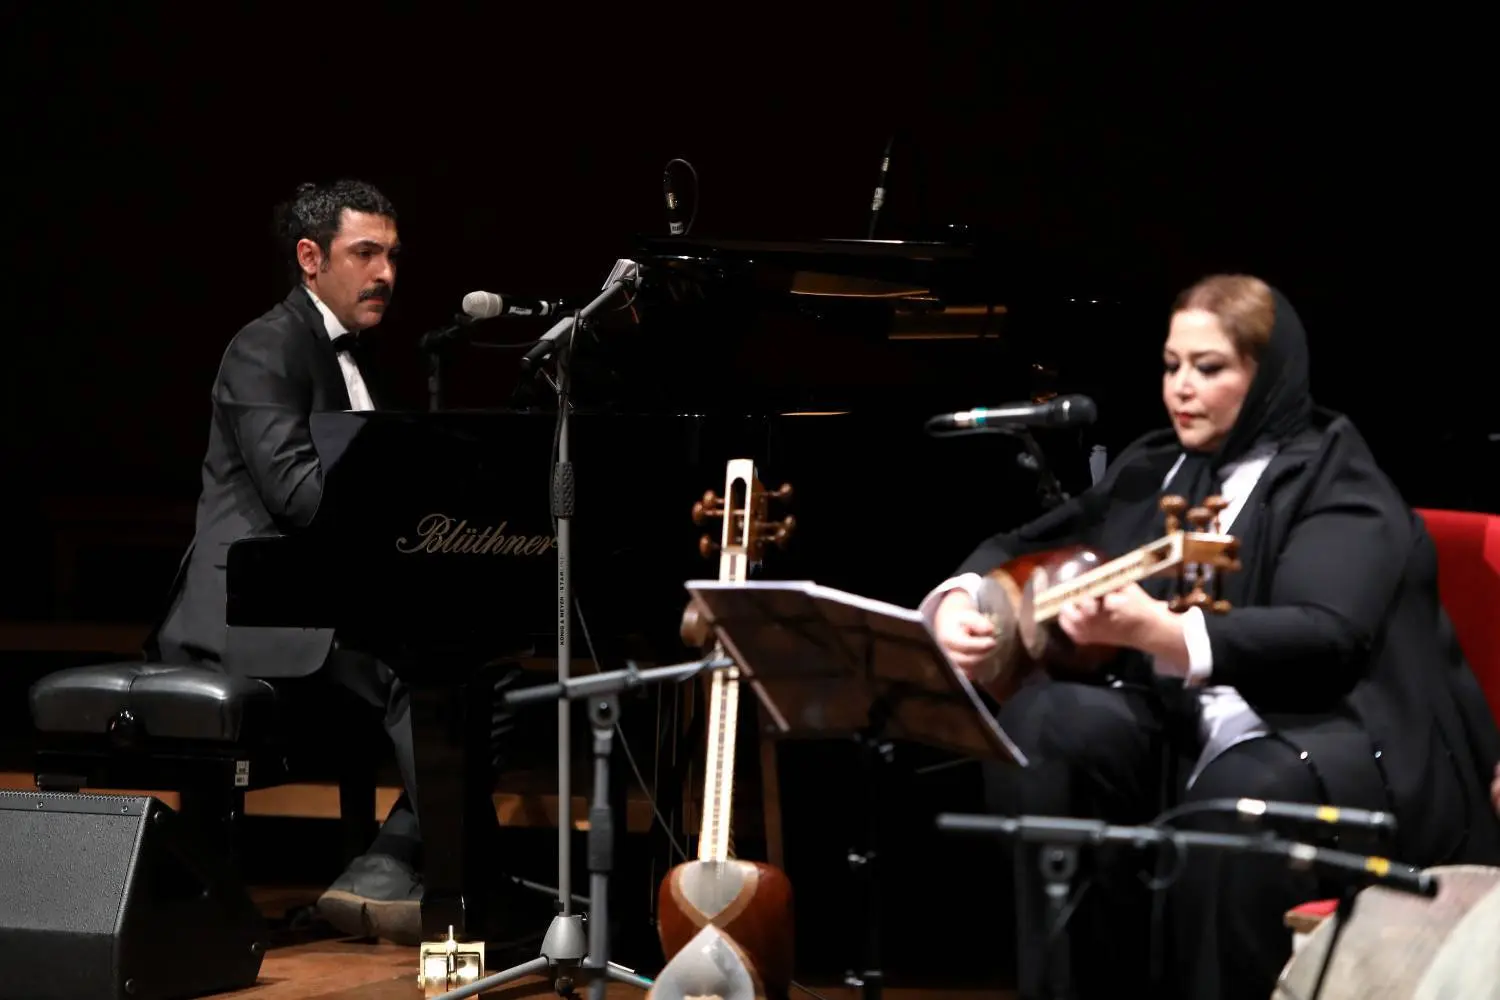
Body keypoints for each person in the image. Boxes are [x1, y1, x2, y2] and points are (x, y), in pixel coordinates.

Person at [923, 274, 1500, 1000]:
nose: (1182, 389)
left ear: (1267, 374)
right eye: (1172, 366)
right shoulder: (1157, 466)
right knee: (1048, 724)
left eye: (1209, 367)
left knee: (1235, 807)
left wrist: (1163, 632)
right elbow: (1021, 543)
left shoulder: (1340, 481)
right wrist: (960, 600)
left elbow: (1327, 637)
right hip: (1191, 725)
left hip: (1333, 733)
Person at [150, 179, 434, 945]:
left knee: (480, 674)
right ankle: (447, 873)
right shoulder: (264, 347)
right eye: (365, 253)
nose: (385, 273)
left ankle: (393, 858)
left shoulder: (360, 357)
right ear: (311, 258)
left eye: (393, 256)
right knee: (425, 673)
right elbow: (298, 496)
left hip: (320, 598)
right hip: (252, 609)